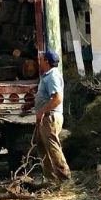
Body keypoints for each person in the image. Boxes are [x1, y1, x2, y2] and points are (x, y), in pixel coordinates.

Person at [25, 50, 71, 184]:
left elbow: (57, 98)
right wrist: (32, 104)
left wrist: (42, 111)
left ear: (46, 61)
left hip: (50, 117)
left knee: (52, 147)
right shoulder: (46, 76)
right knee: (42, 148)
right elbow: (45, 98)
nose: (39, 62)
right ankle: (51, 180)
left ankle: (65, 178)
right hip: (46, 117)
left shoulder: (52, 76)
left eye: (41, 59)